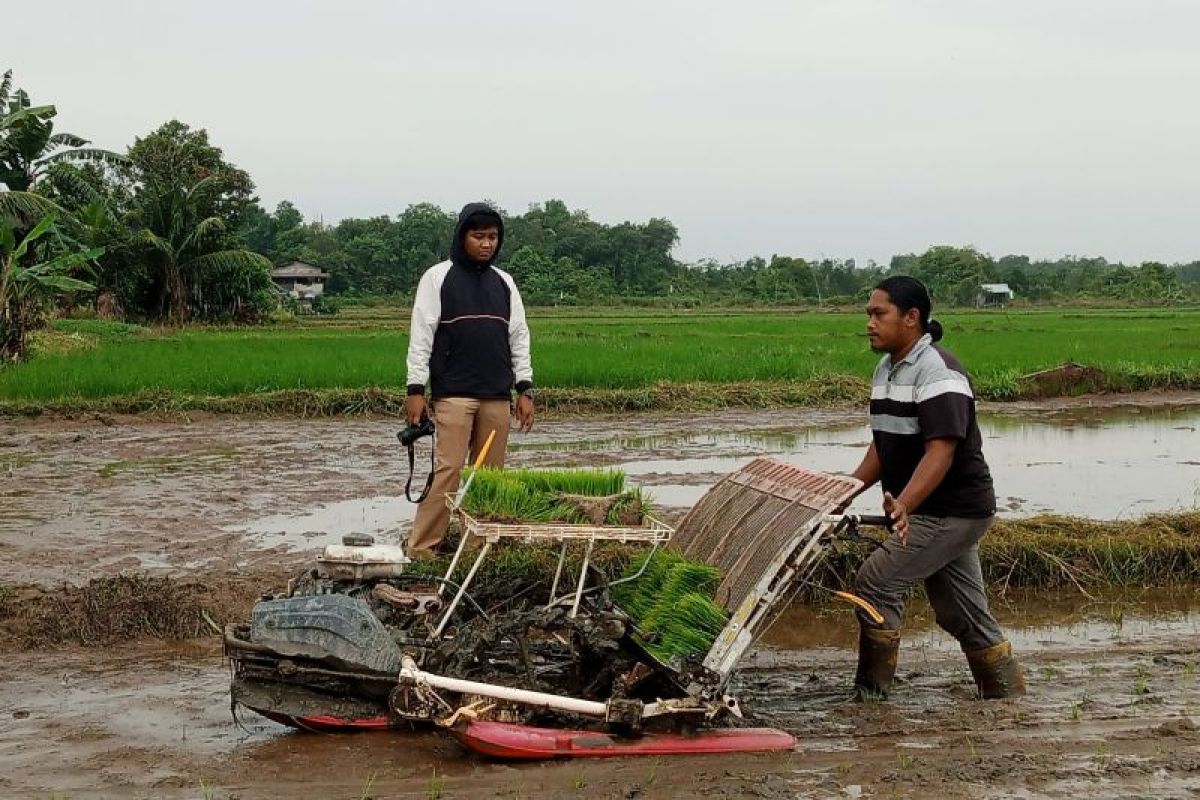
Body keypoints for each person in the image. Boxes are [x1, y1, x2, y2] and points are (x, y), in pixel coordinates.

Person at [844, 276, 1025, 700]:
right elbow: (884, 444)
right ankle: (1007, 697)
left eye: (879, 314)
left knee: (876, 582)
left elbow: (940, 452)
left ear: (911, 318)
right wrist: (844, 490)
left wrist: (905, 504)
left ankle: (871, 697)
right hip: (932, 509)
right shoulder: (887, 369)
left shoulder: (938, 373)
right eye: (868, 314)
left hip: (950, 510)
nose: (869, 323)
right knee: (960, 612)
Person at [404, 202, 535, 558]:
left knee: (490, 474)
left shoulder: (504, 283)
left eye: (492, 237)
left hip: (496, 395)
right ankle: (422, 548)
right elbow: (421, 336)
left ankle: (478, 548)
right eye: (478, 236)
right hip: (454, 394)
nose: (486, 243)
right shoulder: (438, 278)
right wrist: (416, 389)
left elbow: (519, 336)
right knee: (448, 469)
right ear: (462, 237)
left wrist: (525, 388)